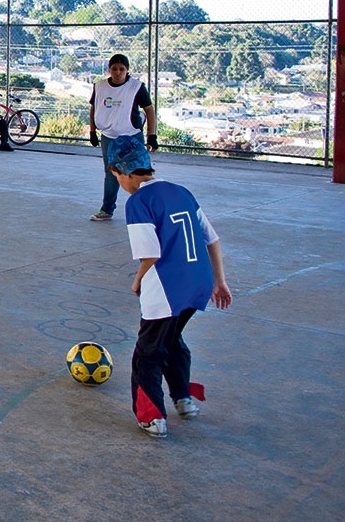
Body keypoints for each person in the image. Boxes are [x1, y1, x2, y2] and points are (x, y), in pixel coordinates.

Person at [107, 135, 232, 438]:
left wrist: (137, 280)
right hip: (199, 282)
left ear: (121, 172)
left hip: (167, 287)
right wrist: (219, 281)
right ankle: (184, 399)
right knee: (172, 341)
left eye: (116, 177)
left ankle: (152, 417)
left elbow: (150, 254)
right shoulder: (180, 191)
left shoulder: (139, 201)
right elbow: (211, 238)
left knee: (147, 353)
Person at [88, 54, 157, 220]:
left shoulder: (136, 87)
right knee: (111, 173)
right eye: (114, 69)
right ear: (109, 70)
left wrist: (151, 135)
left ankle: (149, 210)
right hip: (109, 136)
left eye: (121, 69)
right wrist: (92, 130)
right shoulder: (100, 87)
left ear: (127, 70)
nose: (118, 72)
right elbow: (93, 107)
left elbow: (149, 110)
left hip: (132, 135)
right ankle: (107, 209)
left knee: (140, 173)